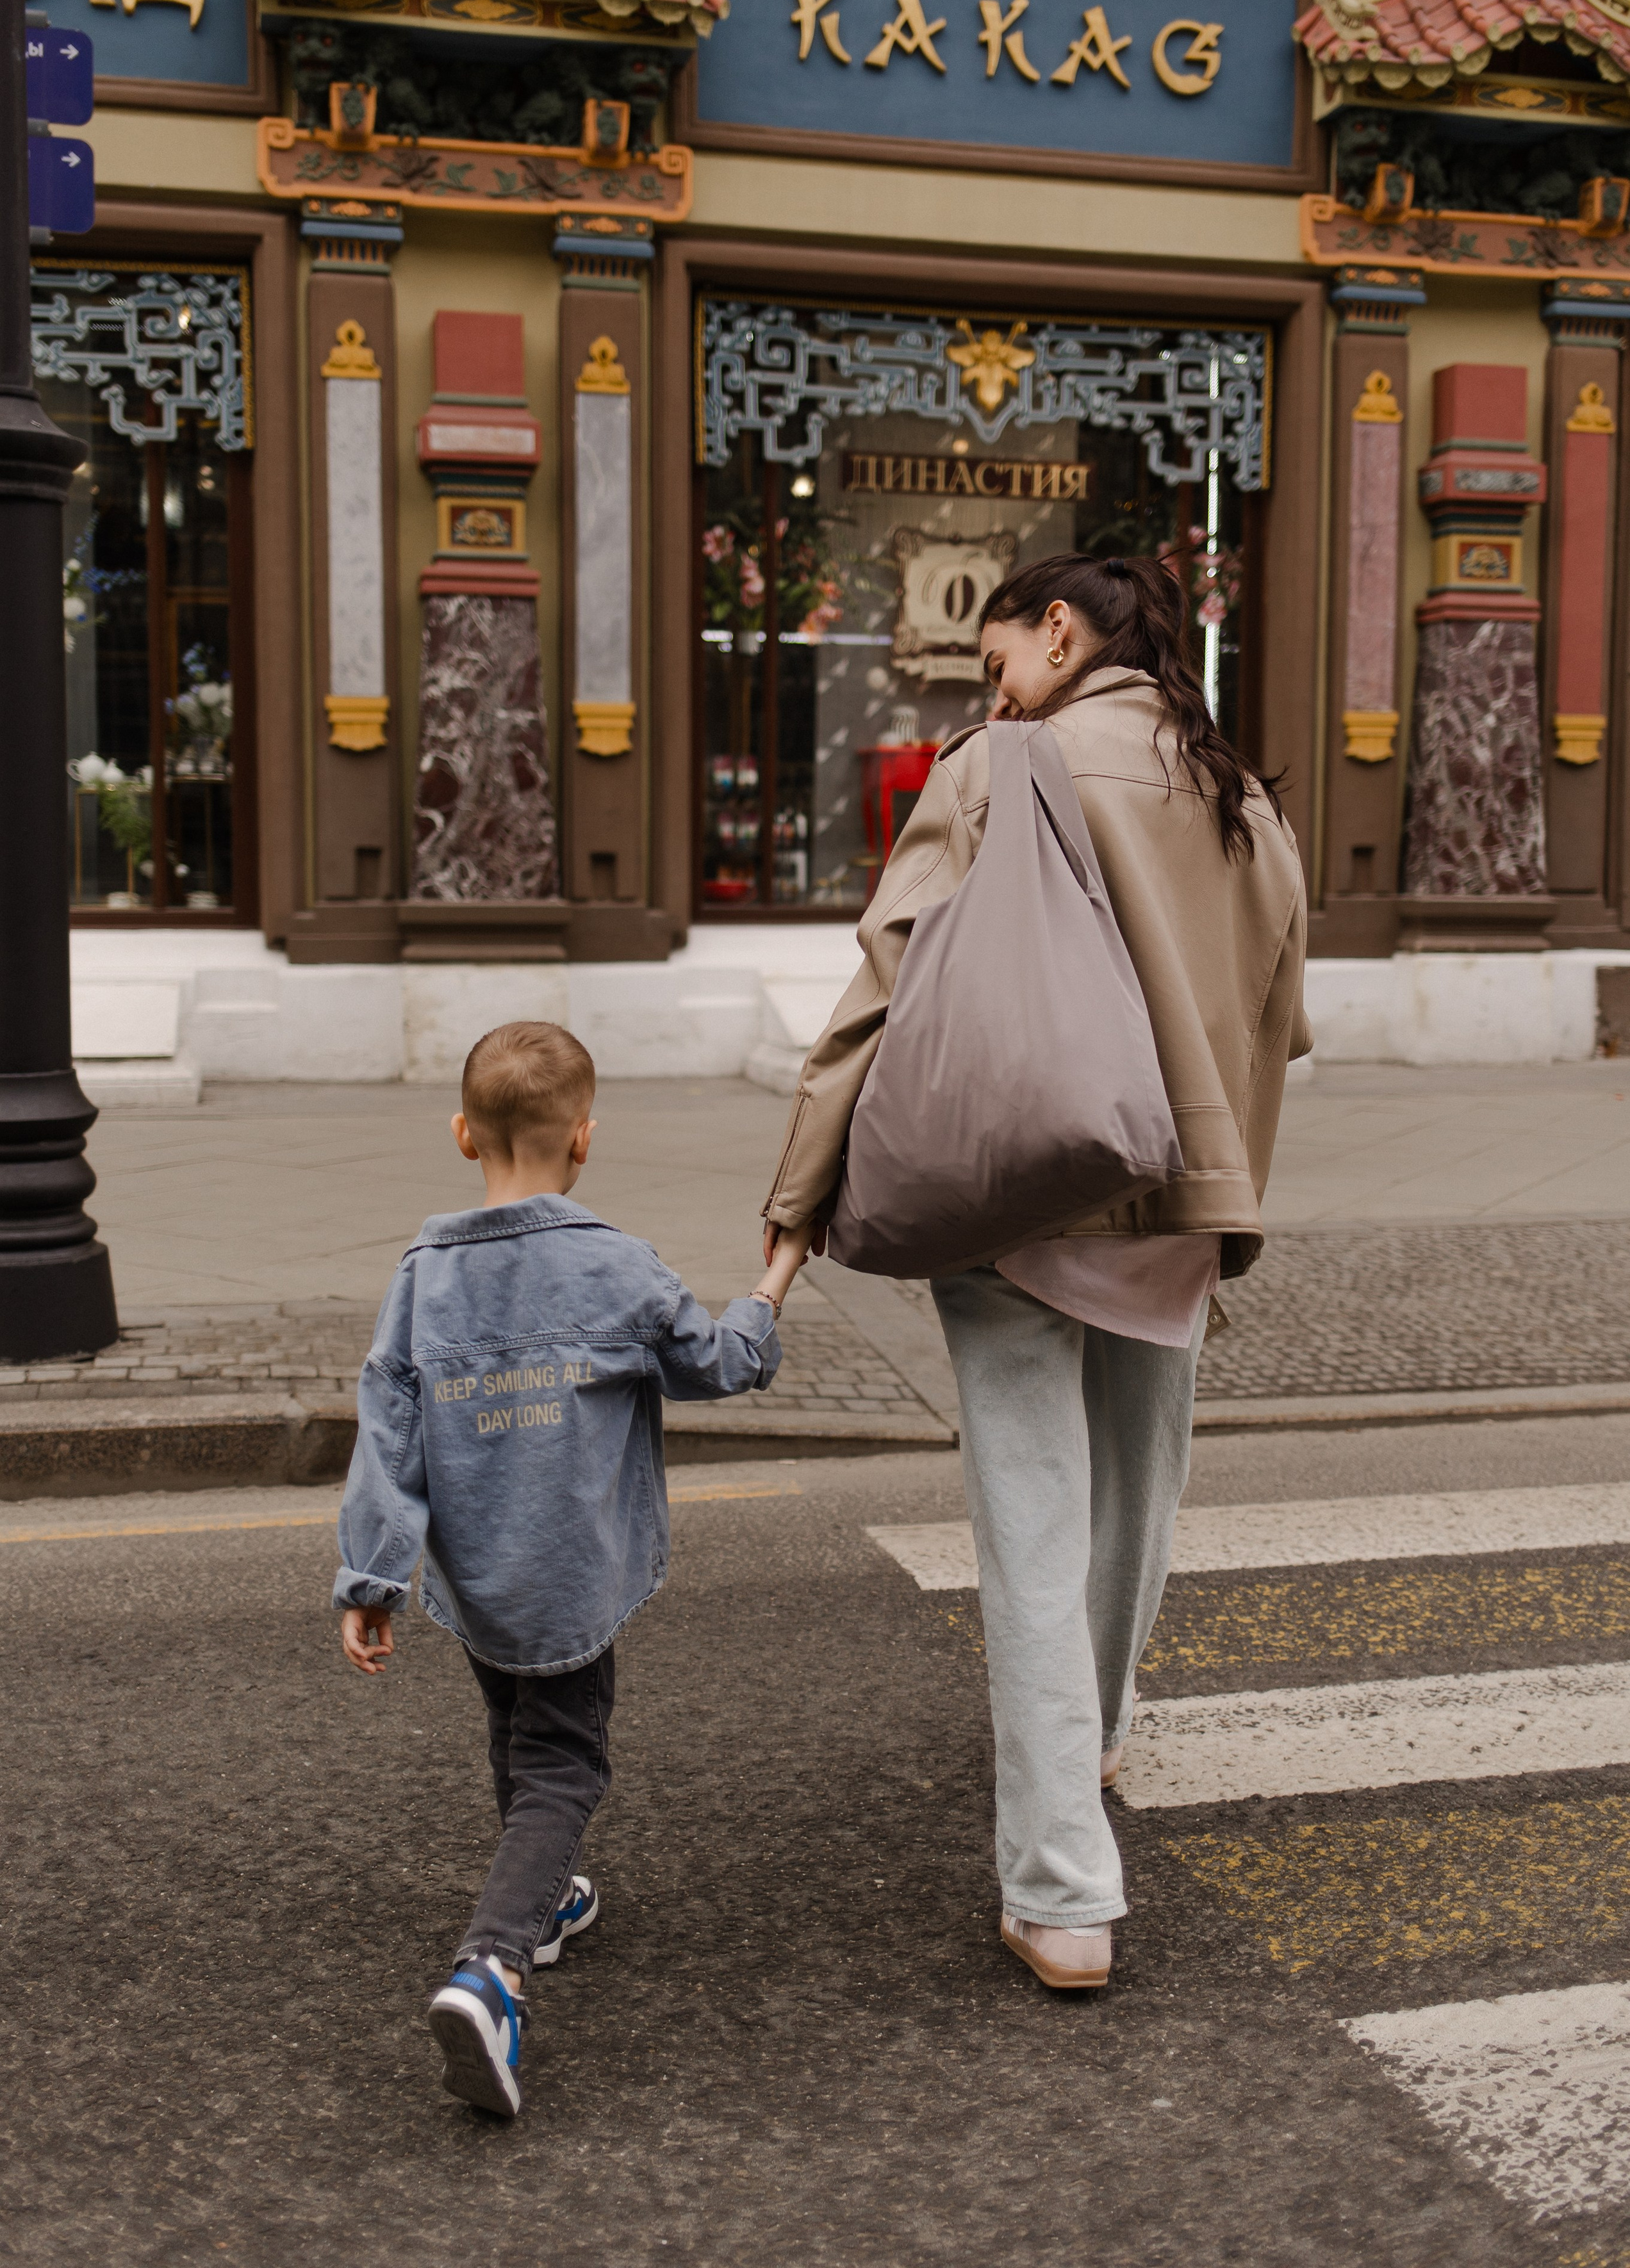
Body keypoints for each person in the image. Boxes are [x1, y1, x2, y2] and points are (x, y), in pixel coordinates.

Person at [762, 552, 1310, 1993]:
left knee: (1028, 1521)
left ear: (1057, 632)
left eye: (997, 656)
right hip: (1182, 1194)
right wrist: (1217, 1181)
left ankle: (1063, 1890)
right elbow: (1274, 1026)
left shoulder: (1003, 762)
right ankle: (1103, 1726)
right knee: (1140, 1485)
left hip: (1015, 1186)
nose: (990, 685)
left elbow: (885, 984)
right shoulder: (1238, 793)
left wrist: (796, 1196)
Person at [336, 1019, 809, 2116]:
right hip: (570, 1579)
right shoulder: (616, 1266)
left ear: (462, 1135)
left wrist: (371, 1578)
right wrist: (775, 1277)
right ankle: (491, 1970)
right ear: (585, 1140)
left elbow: (385, 1431)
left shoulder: (421, 1277)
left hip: (478, 1581)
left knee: (517, 1731)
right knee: (564, 1768)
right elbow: (722, 1363)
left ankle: (540, 1908)